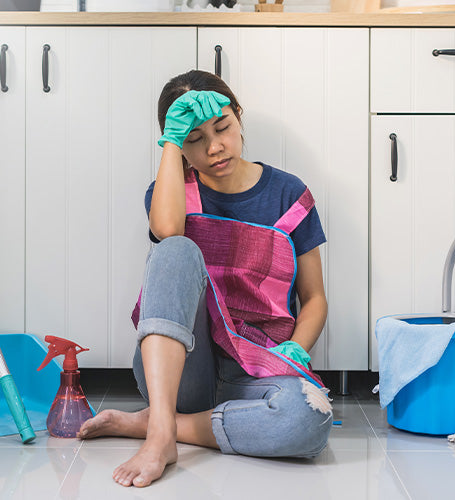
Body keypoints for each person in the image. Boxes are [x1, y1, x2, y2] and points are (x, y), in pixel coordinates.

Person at [77, 70, 332, 488]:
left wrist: (297, 350)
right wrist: (171, 147)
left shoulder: (288, 194)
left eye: (223, 128)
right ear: (177, 145)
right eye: (194, 139)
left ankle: (158, 426)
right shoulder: (170, 191)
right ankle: (162, 433)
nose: (214, 147)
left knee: (309, 420)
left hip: (257, 367)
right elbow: (167, 231)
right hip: (182, 372)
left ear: (239, 117)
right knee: (175, 247)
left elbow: (315, 296)